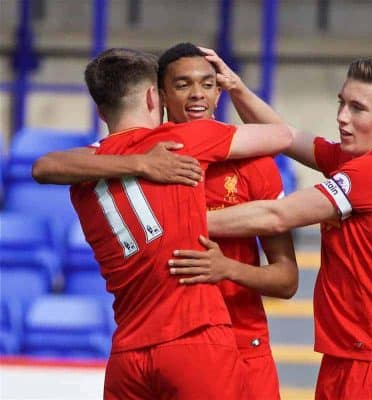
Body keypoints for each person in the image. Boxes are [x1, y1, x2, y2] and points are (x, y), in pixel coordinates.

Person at [33, 42, 298, 400]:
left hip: (237, 341)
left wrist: (227, 268)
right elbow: (284, 135)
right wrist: (143, 162)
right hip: (196, 339)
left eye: (208, 84)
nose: (197, 95)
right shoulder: (175, 146)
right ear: (155, 96)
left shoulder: (252, 165)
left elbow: (286, 280)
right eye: (183, 84)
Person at [169, 51, 372, 399]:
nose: (341, 118)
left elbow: (277, 216)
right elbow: (285, 136)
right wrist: (238, 88)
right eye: (341, 103)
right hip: (348, 352)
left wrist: (173, 220)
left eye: (357, 108)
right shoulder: (352, 160)